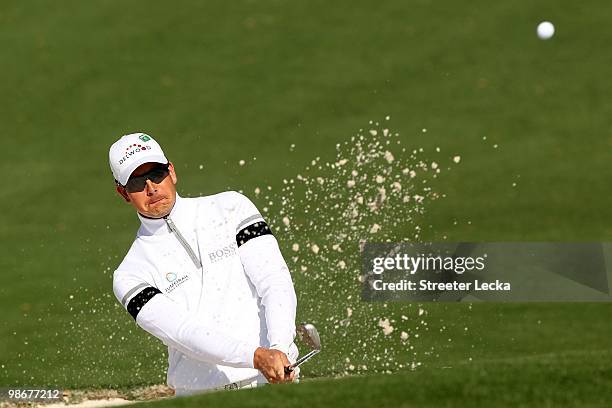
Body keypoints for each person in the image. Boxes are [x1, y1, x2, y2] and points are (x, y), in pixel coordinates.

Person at [109, 132, 299, 395]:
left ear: (172, 172)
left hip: (274, 383)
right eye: (137, 181)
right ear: (123, 193)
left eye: (156, 173)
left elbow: (273, 279)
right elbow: (183, 332)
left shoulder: (231, 207)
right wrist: (257, 357)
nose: (151, 187)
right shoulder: (129, 274)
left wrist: (279, 346)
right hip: (202, 397)